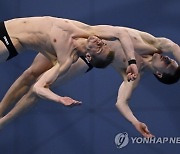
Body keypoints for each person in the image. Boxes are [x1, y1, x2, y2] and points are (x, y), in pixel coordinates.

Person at [0, 22, 180, 137]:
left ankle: (3, 122)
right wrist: (131, 59)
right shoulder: (154, 43)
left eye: (170, 65)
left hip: (86, 58)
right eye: (173, 60)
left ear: (160, 74)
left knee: (38, 88)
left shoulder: (134, 76)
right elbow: (173, 46)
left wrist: (135, 122)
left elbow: (121, 102)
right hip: (84, 36)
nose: (169, 59)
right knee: (29, 74)